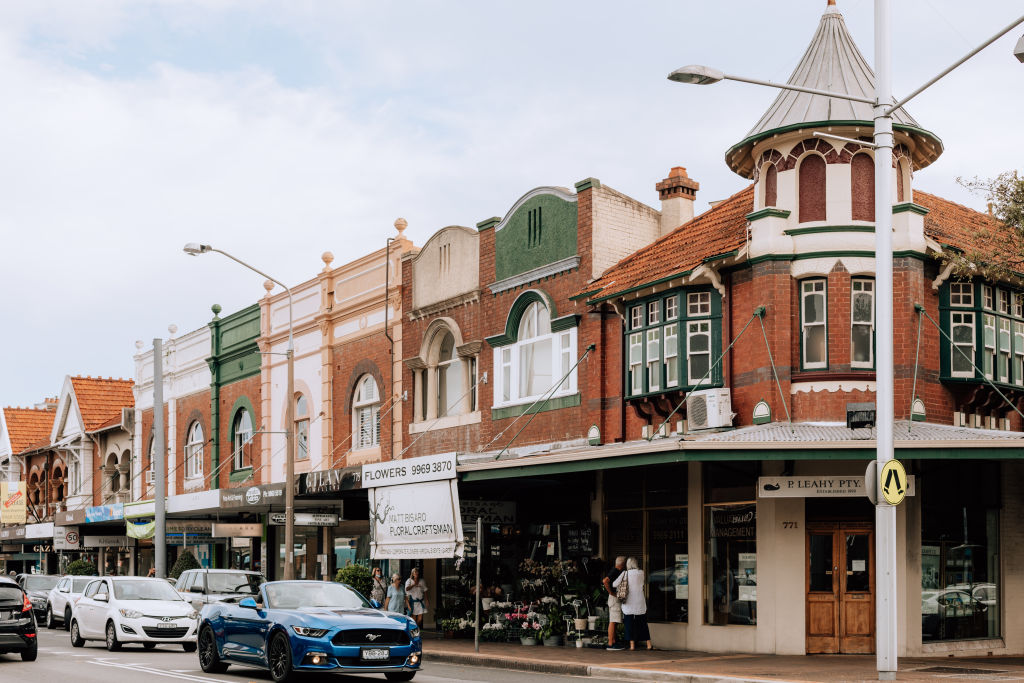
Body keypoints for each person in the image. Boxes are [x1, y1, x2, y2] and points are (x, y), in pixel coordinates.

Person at [612, 557, 652, 651]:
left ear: (628, 565)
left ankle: (632, 645)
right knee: (643, 623)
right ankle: (649, 644)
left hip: (629, 602)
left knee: (629, 624)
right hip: (640, 602)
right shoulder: (641, 572)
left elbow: (614, 584)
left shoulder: (625, 573)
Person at [602, 556, 626, 651]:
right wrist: (611, 593)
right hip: (613, 598)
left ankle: (614, 641)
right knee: (613, 621)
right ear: (622, 564)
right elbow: (605, 581)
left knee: (615, 621)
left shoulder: (616, 570)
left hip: (614, 598)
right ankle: (611, 643)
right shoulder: (615, 571)